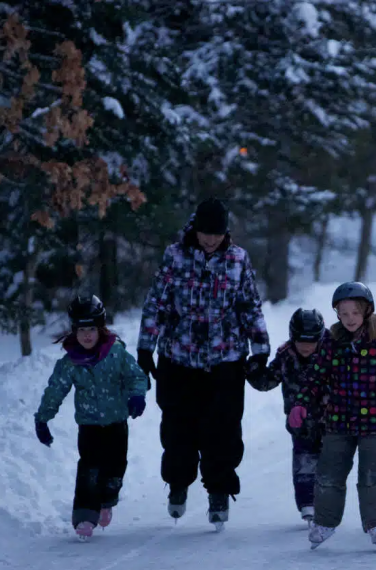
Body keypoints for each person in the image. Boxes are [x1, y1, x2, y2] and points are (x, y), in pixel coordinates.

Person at [136, 197, 270, 529]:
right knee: (179, 428)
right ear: (195, 229)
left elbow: (250, 305)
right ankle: (178, 483)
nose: (210, 239)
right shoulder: (175, 256)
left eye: (217, 233)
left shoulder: (238, 259)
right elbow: (156, 302)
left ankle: (219, 491)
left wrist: (260, 348)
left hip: (225, 359)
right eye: (205, 232)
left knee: (222, 430)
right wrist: (145, 348)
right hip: (178, 358)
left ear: (226, 233)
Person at [288, 282, 376, 550]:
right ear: (336, 313)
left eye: (355, 313)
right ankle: (324, 522)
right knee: (329, 473)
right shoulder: (330, 343)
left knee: (373, 475)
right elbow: (315, 378)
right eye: (344, 313)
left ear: (367, 312)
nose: (349, 319)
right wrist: (300, 403)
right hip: (338, 422)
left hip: (374, 423)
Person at [34, 295, 148, 540]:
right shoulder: (70, 363)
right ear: (74, 331)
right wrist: (43, 419)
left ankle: (106, 500)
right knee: (89, 468)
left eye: (92, 329)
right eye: (81, 330)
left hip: (117, 422)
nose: (87, 335)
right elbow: (55, 390)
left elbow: (136, 376)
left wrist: (137, 395)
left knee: (116, 467)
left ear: (101, 329)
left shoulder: (116, 354)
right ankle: (85, 515)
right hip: (89, 426)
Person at [251, 308, 329, 526]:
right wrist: (254, 370)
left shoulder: (332, 353)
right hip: (300, 424)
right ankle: (307, 504)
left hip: (331, 422)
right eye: (300, 340)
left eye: (311, 341)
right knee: (304, 463)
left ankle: (328, 505)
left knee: (329, 466)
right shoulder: (286, 355)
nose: (305, 346)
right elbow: (268, 381)